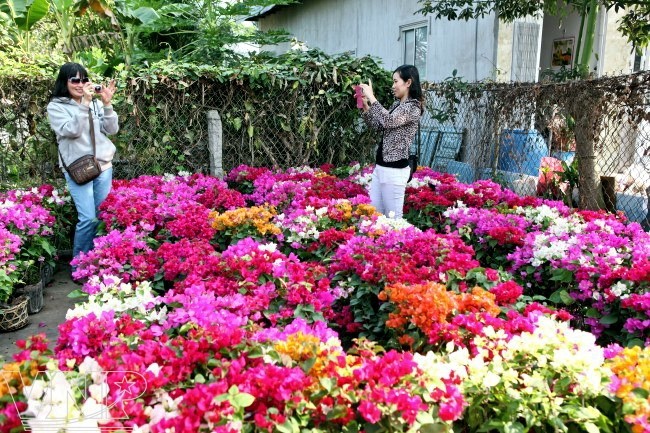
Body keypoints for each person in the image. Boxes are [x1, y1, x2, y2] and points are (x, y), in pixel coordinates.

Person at [47, 62, 118, 274]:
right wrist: (84, 103)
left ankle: (99, 264)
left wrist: (106, 104)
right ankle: (80, 266)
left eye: (83, 79)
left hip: (103, 165)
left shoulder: (94, 103)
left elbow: (111, 129)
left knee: (102, 216)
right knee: (88, 218)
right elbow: (72, 131)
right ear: (64, 82)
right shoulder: (56, 106)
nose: (80, 84)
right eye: (74, 80)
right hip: (79, 168)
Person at [358, 64, 423, 219]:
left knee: (394, 219)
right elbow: (378, 125)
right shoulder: (397, 105)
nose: (393, 86)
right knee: (375, 215)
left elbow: (388, 121)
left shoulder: (413, 108)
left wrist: (372, 97)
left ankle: (399, 243)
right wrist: (366, 105)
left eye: (396, 81)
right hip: (381, 167)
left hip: (395, 171)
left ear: (408, 82)